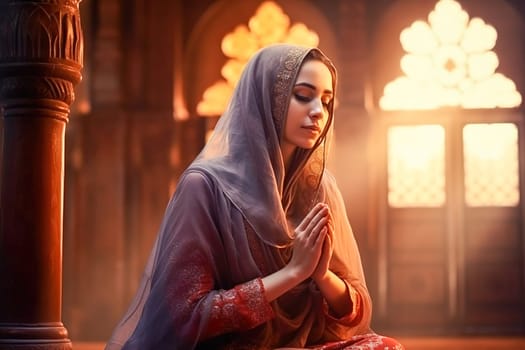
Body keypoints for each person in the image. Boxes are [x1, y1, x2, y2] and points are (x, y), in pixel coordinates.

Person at [106, 44, 404, 350]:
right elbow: (186, 317)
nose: (318, 111)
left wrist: (322, 275)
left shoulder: (320, 188)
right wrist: (293, 273)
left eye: (327, 101)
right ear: (266, 99)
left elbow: (356, 312)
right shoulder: (205, 187)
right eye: (303, 95)